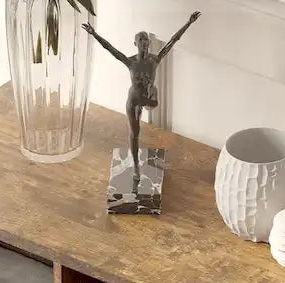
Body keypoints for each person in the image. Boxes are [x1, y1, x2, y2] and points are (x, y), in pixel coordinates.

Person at [83, 12, 201, 181]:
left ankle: (148, 99)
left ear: (149, 43)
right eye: (140, 41)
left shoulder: (154, 60)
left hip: (147, 98)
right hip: (133, 100)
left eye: (146, 41)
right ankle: (136, 166)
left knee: (153, 99)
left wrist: (189, 23)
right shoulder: (131, 62)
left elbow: (173, 41)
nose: (144, 43)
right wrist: (94, 34)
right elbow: (110, 48)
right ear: (135, 44)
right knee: (134, 132)